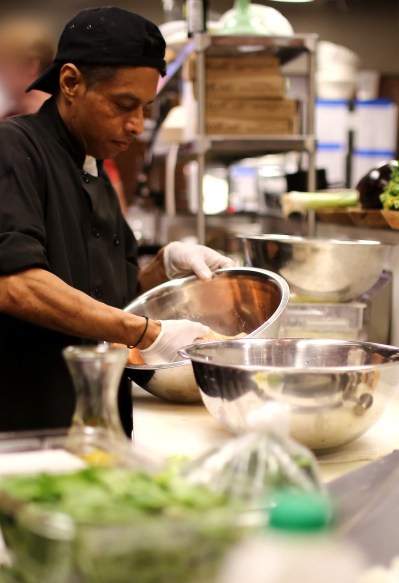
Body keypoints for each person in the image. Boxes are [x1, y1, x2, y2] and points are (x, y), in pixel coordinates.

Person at [0, 7, 234, 434]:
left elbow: (114, 295)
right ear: (70, 82)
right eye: (124, 105)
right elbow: (16, 285)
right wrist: (148, 333)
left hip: (100, 426)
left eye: (146, 107)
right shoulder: (14, 150)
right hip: (28, 429)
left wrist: (164, 268)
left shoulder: (96, 171)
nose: (136, 125)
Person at [0, 17, 54, 118]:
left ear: (31, 65)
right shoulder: (10, 116)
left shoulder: (57, 117)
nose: (1, 74)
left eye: (3, 64)